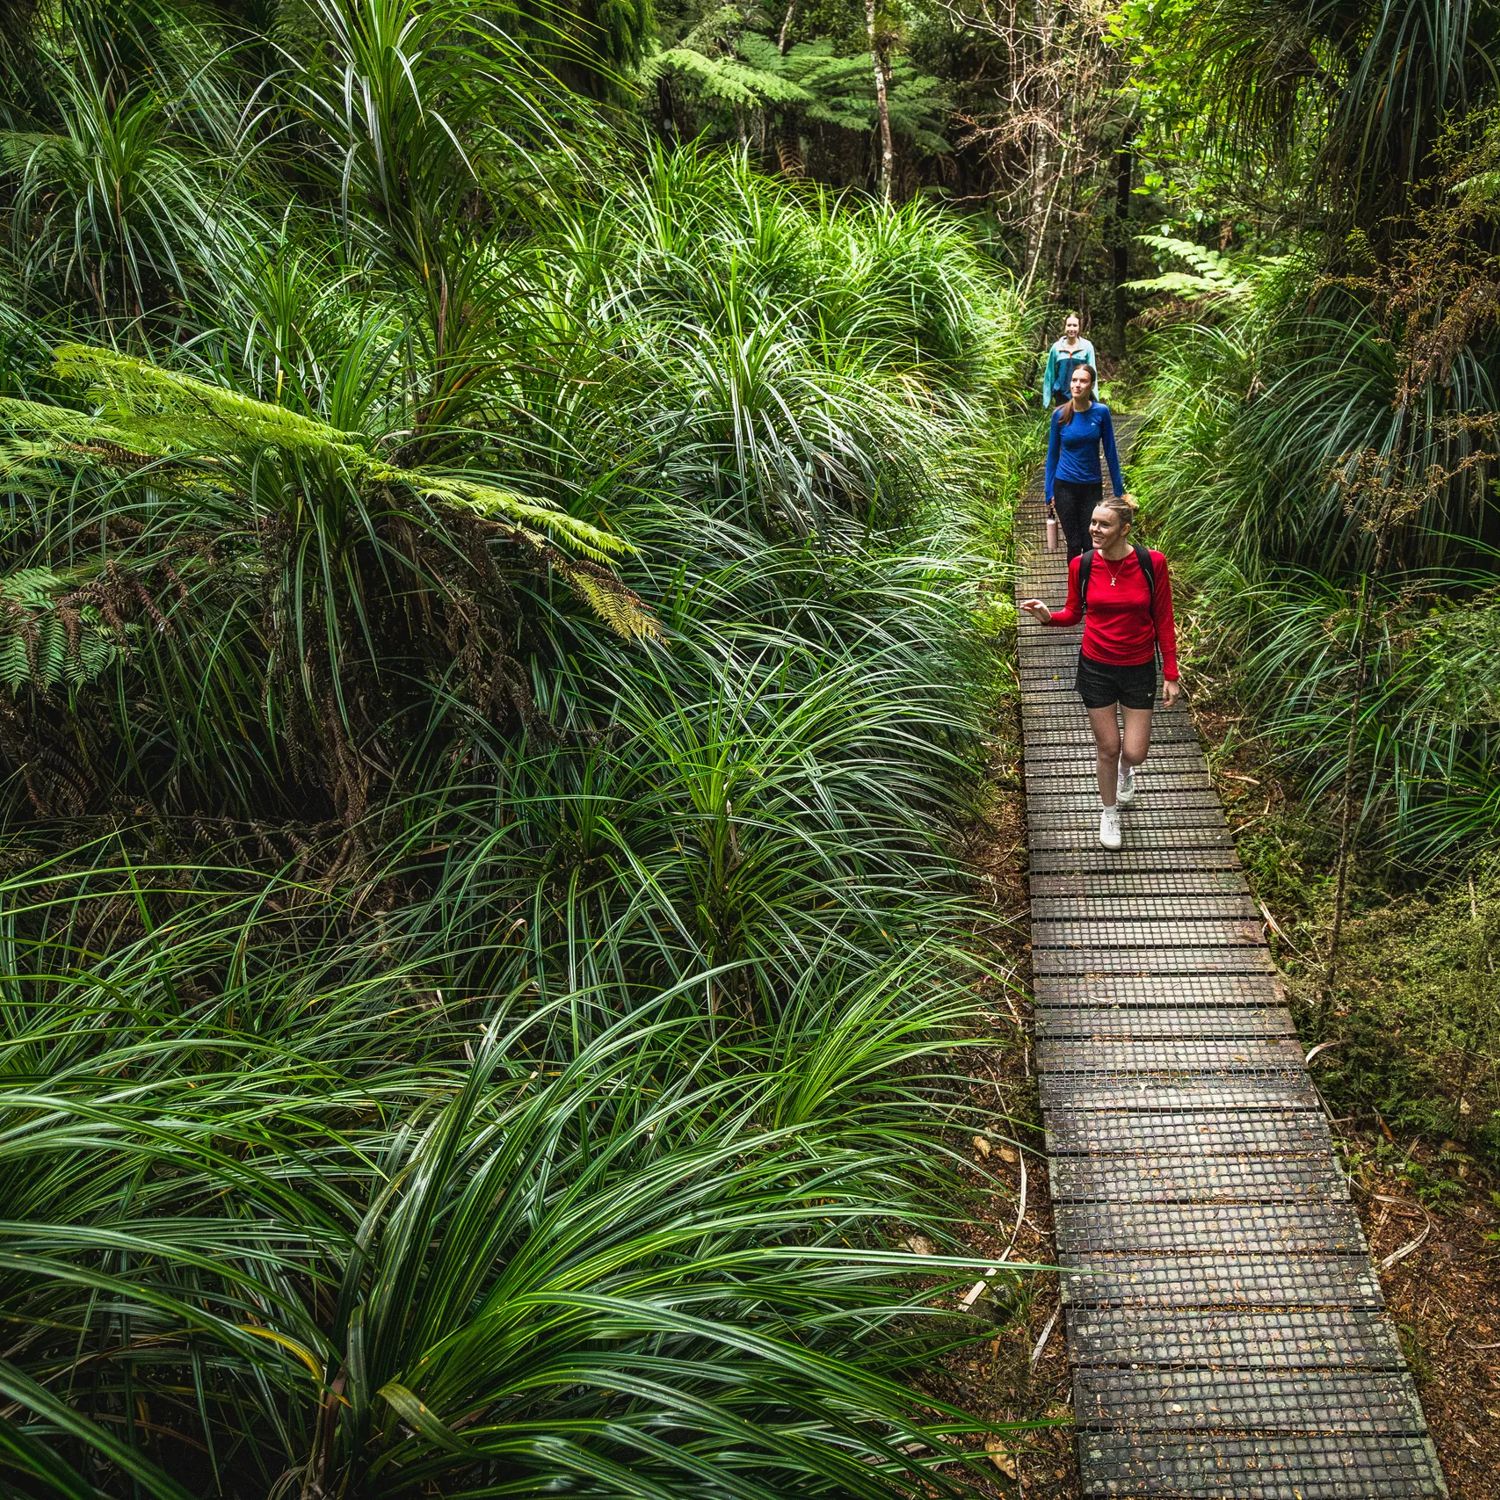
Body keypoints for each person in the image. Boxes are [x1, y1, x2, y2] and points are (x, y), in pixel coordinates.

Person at [1019, 497, 1180, 851]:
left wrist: (1171, 672)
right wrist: (1048, 616)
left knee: (1134, 752)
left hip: (1138, 667)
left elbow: (1163, 619)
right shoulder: (1083, 564)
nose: (1094, 529)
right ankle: (1109, 813)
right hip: (1096, 666)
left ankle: (1127, 771)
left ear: (1125, 529)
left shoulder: (1152, 563)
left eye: (1103, 525)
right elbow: (1074, 613)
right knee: (1108, 747)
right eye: (1093, 522)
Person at [1044, 363, 1125, 561]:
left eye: (1083, 381)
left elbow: (1111, 452)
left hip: (1091, 487)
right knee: (1074, 543)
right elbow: (1052, 455)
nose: (1077, 385)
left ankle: (1090, 587)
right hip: (1065, 487)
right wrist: (1049, 492)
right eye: (1074, 380)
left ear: (1091, 386)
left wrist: (1119, 492)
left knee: (1091, 543)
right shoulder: (1060, 415)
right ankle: (1075, 590)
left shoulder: (1101, 412)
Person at [1041, 313, 1096, 408]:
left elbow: (1092, 372)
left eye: (1075, 325)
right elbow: (1050, 374)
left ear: (1079, 328)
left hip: (1082, 395)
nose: (1072, 328)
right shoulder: (1056, 347)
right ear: (1065, 327)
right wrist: (1047, 400)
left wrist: (1094, 396)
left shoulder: (1087, 347)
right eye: (1069, 325)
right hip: (1061, 397)